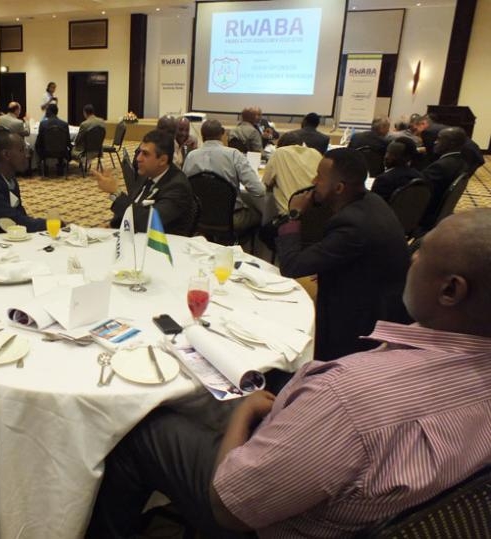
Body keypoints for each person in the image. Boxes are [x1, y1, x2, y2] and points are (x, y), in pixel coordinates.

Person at [88, 208, 491, 539]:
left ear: (450, 291)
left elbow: (230, 508)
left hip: (272, 522)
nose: (412, 258)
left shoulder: (345, 397)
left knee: (139, 429)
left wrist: (245, 413)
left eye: (422, 252)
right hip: (402, 506)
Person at [277, 147, 409, 361]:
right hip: (380, 295)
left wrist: (293, 215)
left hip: (363, 320)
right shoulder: (371, 201)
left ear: (338, 188)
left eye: (319, 177)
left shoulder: (353, 225)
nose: (313, 180)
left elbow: (292, 266)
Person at [94, 129, 195, 236]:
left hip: (163, 246)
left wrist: (116, 192)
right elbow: (135, 206)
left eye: (145, 154)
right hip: (136, 239)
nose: (138, 158)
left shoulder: (177, 186)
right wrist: (112, 226)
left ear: (162, 160)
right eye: (139, 152)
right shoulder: (147, 173)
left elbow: (147, 222)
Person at [183, 119, 265, 234]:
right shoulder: (234, 155)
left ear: (202, 136)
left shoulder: (191, 156)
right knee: (260, 215)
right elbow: (259, 191)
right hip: (231, 218)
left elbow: (185, 188)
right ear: (222, 133)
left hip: (198, 218)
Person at [419, 127, 470, 229]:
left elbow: (419, 193)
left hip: (424, 216)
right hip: (441, 214)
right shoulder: (463, 163)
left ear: (451, 143)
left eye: (439, 139)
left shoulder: (440, 167)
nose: (435, 142)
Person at [262, 131, 323, 215]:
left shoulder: (279, 153)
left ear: (280, 146)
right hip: (318, 214)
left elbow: (266, 183)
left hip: (291, 216)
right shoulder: (316, 153)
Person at [35, 103, 70, 174]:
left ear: (49, 111)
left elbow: (39, 141)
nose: (46, 112)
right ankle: (60, 165)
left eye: (47, 110)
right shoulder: (64, 124)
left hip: (46, 152)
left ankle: (43, 165)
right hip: (62, 152)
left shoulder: (43, 124)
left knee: (37, 145)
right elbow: (68, 141)